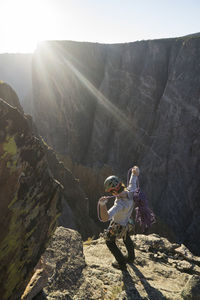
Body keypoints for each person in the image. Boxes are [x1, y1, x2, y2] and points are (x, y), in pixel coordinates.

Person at [99, 166, 139, 270]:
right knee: (126, 238)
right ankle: (131, 257)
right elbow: (132, 182)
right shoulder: (131, 192)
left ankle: (121, 264)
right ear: (121, 184)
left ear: (114, 192)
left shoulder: (119, 204)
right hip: (127, 222)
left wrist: (102, 205)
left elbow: (105, 217)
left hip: (117, 225)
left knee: (110, 242)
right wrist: (134, 173)